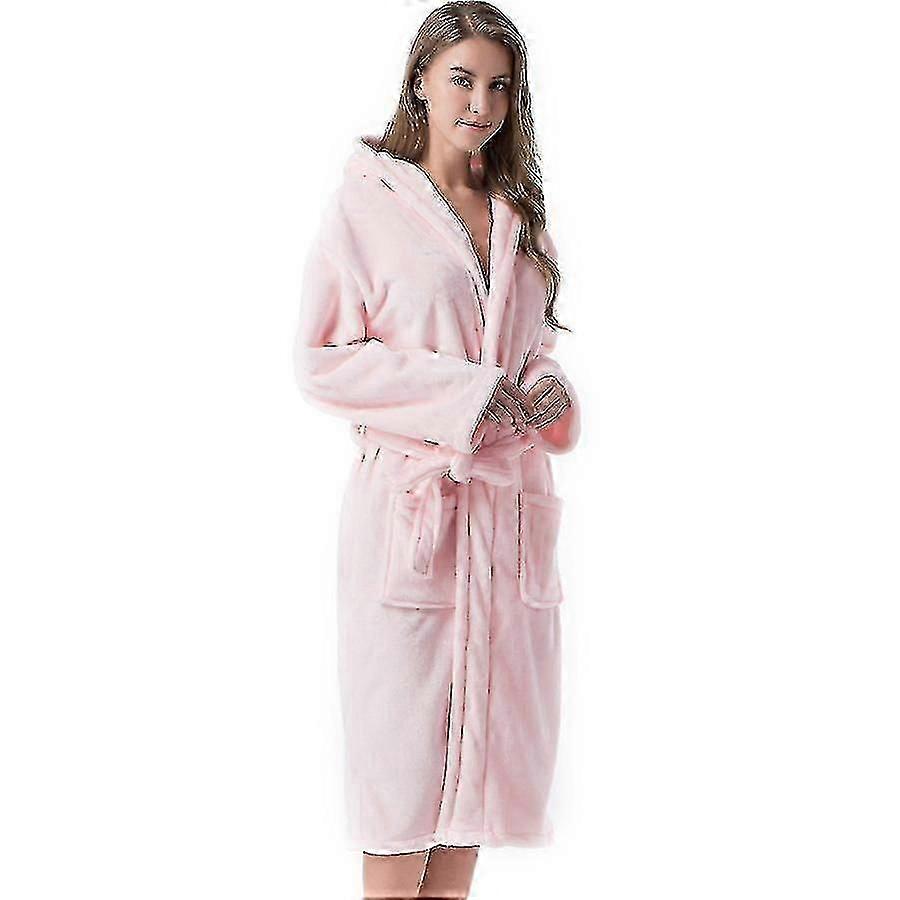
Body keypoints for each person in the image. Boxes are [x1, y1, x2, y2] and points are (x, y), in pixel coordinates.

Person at [293, 3, 581, 897]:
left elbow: (532, 346)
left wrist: (549, 389)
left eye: (498, 86)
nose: (479, 104)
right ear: (420, 79)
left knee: (475, 798)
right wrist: (462, 395)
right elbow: (322, 358)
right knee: (399, 789)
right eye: (461, 79)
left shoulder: (519, 215)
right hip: (412, 518)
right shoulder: (366, 207)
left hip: (502, 522)